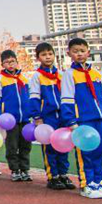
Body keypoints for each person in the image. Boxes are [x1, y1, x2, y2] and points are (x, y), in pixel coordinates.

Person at [60, 38, 102, 199]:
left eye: (82, 51)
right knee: (86, 153)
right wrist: (71, 121)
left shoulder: (96, 74)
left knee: (100, 151)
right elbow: (67, 99)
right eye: (75, 51)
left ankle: (98, 182)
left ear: (88, 52)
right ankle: (87, 184)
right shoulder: (69, 75)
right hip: (83, 122)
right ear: (69, 54)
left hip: (100, 120)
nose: (79, 54)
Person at [29, 42, 75, 191]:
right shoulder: (37, 77)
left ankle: (63, 174)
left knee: (63, 145)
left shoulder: (61, 75)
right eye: (43, 54)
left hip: (62, 116)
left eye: (50, 54)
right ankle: (52, 176)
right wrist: (37, 117)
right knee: (49, 147)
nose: (48, 57)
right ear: (38, 58)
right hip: (47, 117)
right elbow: (34, 98)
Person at [0, 50, 33, 182]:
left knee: (26, 146)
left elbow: (31, 96)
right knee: (12, 146)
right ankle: (15, 170)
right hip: (10, 121)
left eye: (12, 61)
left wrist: (32, 113)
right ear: (2, 64)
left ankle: (25, 169)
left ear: (17, 62)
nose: (10, 64)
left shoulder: (24, 79)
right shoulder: (0, 80)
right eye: (7, 62)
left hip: (25, 119)